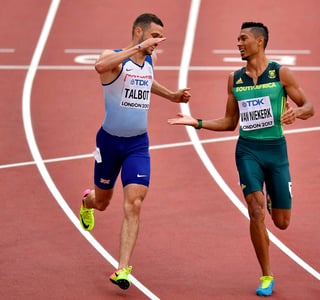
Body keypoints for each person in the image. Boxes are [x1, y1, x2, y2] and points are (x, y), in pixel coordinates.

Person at [168, 21, 314, 296]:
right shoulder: (234, 79)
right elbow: (229, 122)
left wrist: (298, 113)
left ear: (260, 41)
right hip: (247, 151)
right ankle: (267, 275)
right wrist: (196, 122)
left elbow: (310, 106)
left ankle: (272, 196)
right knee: (255, 210)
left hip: (276, 151)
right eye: (236, 38)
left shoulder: (281, 74)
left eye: (243, 38)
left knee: (282, 222)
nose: (238, 43)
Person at [79, 13, 191, 290]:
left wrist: (172, 96)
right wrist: (137, 49)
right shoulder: (115, 58)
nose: (158, 42)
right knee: (103, 202)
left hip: (137, 144)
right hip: (109, 142)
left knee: (135, 203)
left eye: (160, 37)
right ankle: (87, 202)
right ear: (139, 32)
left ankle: (122, 269)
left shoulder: (149, 61)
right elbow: (99, 66)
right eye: (155, 36)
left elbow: (147, 83)